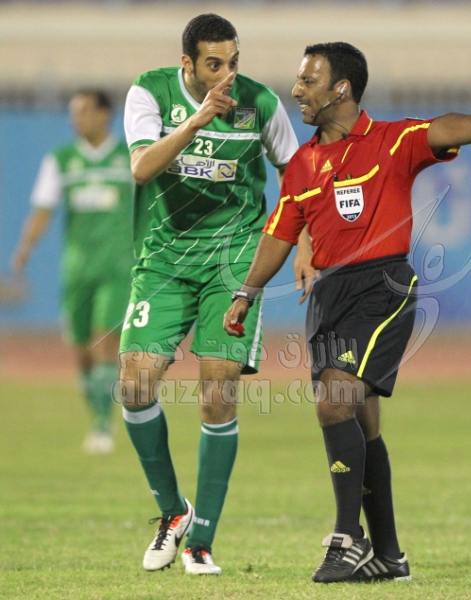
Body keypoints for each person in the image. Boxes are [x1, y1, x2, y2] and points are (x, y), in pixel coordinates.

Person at [224, 42, 471, 583]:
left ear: (341, 88)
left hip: (382, 289)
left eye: (308, 81)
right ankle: (390, 555)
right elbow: (280, 233)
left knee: (334, 403)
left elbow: (443, 129)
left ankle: (347, 537)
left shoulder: (391, 140)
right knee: (361, 422)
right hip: (329, 295)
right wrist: (246, 293)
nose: (297, 90)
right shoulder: (301, 164)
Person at [119, 13, 311, 575]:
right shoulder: (150, 92)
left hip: (233, 260)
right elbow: (142, 167)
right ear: (188, 63)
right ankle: (173, 511)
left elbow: (298, 175)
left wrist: (305, 243)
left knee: (217, 392)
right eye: (213, 64)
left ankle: (200, 541)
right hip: (164, 259)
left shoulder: (260, 104)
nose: (226, 74)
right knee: (134, 385)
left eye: (233, 62)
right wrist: (198, 120)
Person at [12, 89, 134, 455]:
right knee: (82, 350)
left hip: (118, 266)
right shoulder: (61, 160)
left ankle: (103, 425)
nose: (75, 119)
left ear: (103, 114)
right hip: (78, 268)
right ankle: (97, 412)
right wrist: (25, 247)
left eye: (82, 111)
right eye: (73, 113)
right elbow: (43, 208)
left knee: (103, 341)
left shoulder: (129, 158)